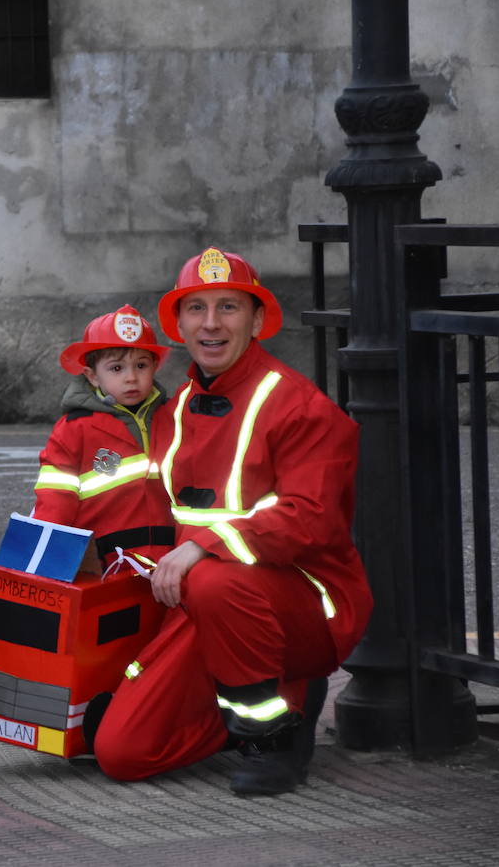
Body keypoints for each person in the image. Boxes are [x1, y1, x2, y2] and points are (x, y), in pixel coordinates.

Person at [89, 246, 373, 796]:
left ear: (258, 319)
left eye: (228, 307)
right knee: (124, 754)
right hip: (206, 601)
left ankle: (275, 736)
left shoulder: (301, 408)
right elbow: (145, 505)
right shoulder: (174, 410)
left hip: (306, 601)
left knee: (215, 580)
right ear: (178, 324)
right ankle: (240, 698)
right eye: (196, 308)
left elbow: (310, 520)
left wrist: (203, 547)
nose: (211, 323)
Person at [32, 304, 175, 569]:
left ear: (155, 367)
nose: (131, 378)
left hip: (172, 558)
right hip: (106, 563)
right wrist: (49, 561)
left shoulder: (174, 416)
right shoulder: (75, 428)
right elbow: (55, 497)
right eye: (116, 368)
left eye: (141, 365)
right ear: (92, 376)